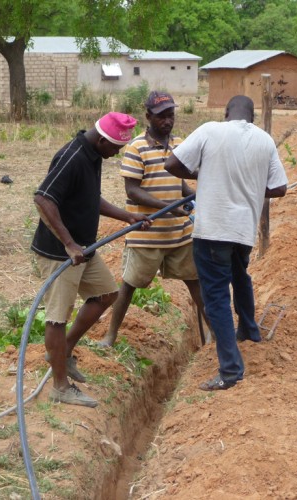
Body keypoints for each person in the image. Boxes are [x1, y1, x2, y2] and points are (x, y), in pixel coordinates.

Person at [165, 95, 288, 391]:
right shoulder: (265, 141)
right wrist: (252, 188)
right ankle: (249, 330)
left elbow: (172, 163)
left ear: (226, 112)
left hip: (212, 230)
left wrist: (203, 174)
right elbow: (280, 187)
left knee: (216, 296)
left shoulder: (210, 130)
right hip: (243, 231)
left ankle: (230, 370)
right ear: (252, 118)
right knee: (239, 276)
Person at [31, 112, 151, 408]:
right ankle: (60, 386)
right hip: (61, 253)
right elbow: (43, 198)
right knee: (57, 318)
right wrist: (69, 243)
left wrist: (127, 216)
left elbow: (90, 199)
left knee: (107, 293)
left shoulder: (94, 154)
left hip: (83, 249)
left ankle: (63, 351)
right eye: (115, 148)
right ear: (101, 140)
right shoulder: (72, 157)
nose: (117, 153)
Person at [97, 91, 209, 348]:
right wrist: (166, 207)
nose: (167, 121)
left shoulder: (180, 144)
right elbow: (132, 190)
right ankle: (111, 335)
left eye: (171, 115)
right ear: (148, 117)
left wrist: (196, 197)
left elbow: (179, 183)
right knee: (129, 284)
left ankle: (211, 339)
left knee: (196, 283)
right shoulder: (137, 147)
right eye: (161, 116)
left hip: (178, 232)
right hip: (146, 231)